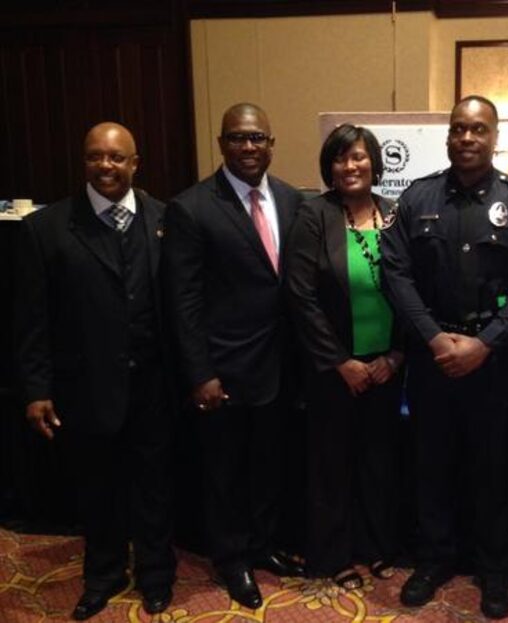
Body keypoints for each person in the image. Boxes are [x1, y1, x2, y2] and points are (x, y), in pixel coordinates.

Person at [381, 95, 508, 619]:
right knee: (430, 463)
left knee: (490, 468)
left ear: (495, 137)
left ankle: (494, 568)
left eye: (478, 129)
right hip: (432, 361)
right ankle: (434, 559)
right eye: (459, 129)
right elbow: (395, 274)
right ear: (448, 136)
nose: (467, 138)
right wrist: (435, 339)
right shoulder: (415, 198)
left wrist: (485, 344)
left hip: (493, 364)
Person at [15, 122, 176, 619]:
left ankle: (156, 575)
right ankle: (102, 575)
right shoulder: (46, 228)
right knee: (97, 488)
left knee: (155, 487)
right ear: (84, 162)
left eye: (116, 158)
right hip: (86, 386)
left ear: (135, 163)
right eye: (94, 157)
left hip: (155, 384)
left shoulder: (165, 219)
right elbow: (30, 318)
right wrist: (35, 388)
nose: (105, 166)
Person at [162, 102, 304, 608]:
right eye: (238, 139)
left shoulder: (291, 199)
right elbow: (184, 302)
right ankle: (231, 559)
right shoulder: (192, 207)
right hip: (223, 372)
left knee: (269, 466)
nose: (249, 148)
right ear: (222, 144)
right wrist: (200, 373)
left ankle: (262, 545)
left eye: (257, 138)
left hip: (280, 368)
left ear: (271, 143)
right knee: (224, 474)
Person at [286, 124, 403, 590]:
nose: (350, 166)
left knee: (380, 461)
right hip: (334, 368)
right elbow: (299, 297)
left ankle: (376, 547)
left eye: (358, 157)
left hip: (386, 366)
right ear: (328, 168)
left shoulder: (395, 214)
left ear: (374, 162)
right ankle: (332, 555)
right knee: (331, 464)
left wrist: (396, 356)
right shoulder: (313, 215)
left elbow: (415, 291)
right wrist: (340, 362)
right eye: (340, 158)